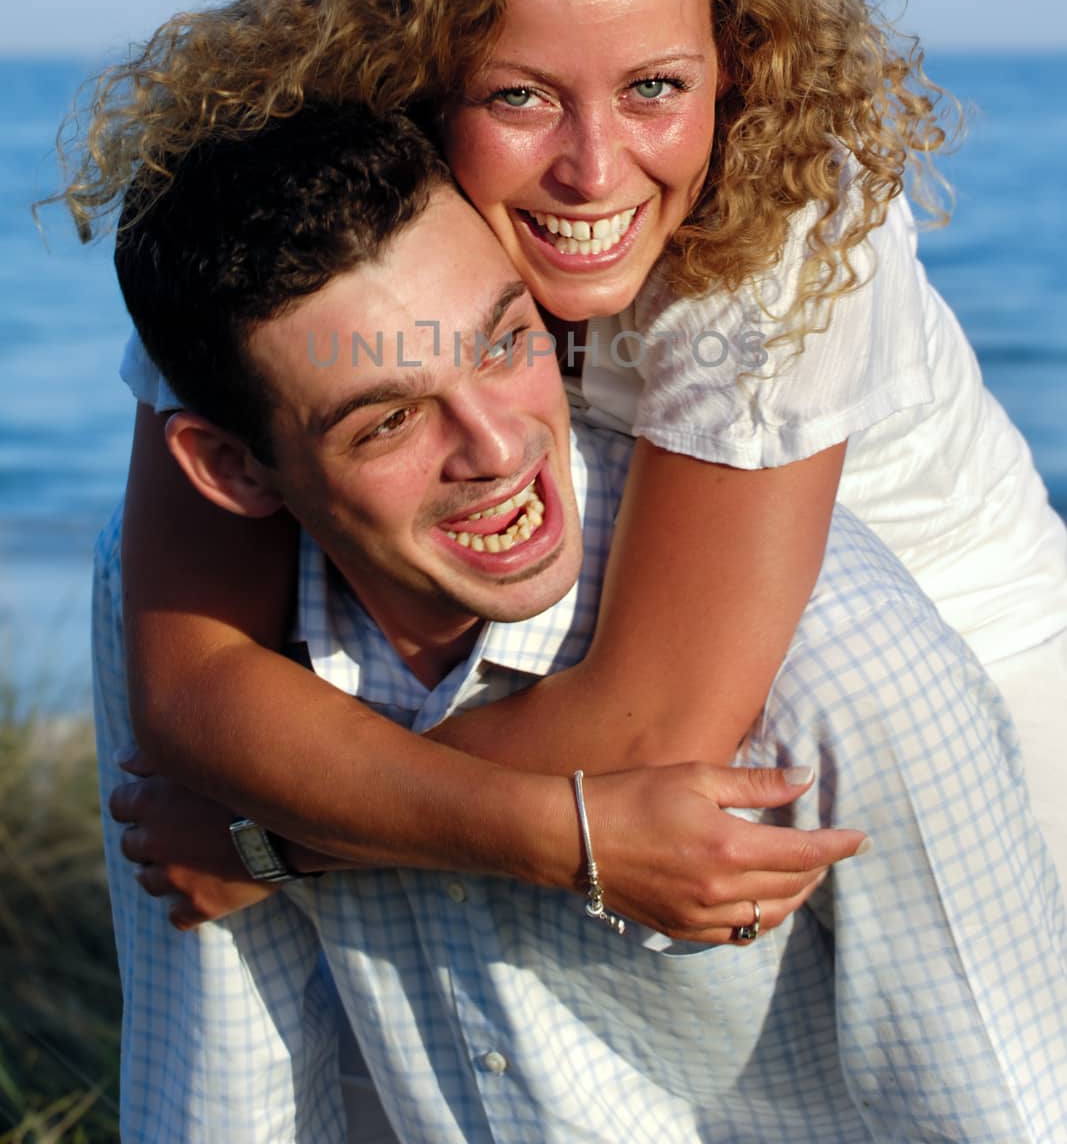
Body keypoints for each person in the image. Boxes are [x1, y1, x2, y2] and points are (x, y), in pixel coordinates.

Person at [66, 0, 1067, 895]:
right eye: (518, 97)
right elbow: (191, 669)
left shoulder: (787, 220)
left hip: (961, 687)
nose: (593, 171)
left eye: (653, 85)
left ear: (732, 62)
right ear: (414, 75)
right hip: (588, 712)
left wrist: (275, 838)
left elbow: (647, 720)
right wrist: (496, 821)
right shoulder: (306, 215)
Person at [95, 103, 1067, 1143]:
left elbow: (1005, 1112)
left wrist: (277, 842)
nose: (495, 447)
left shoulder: (843, 675)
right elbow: (218, 1077)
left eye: (507, 343)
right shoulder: (199, 637)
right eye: (388, 419)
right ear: (233, 468)